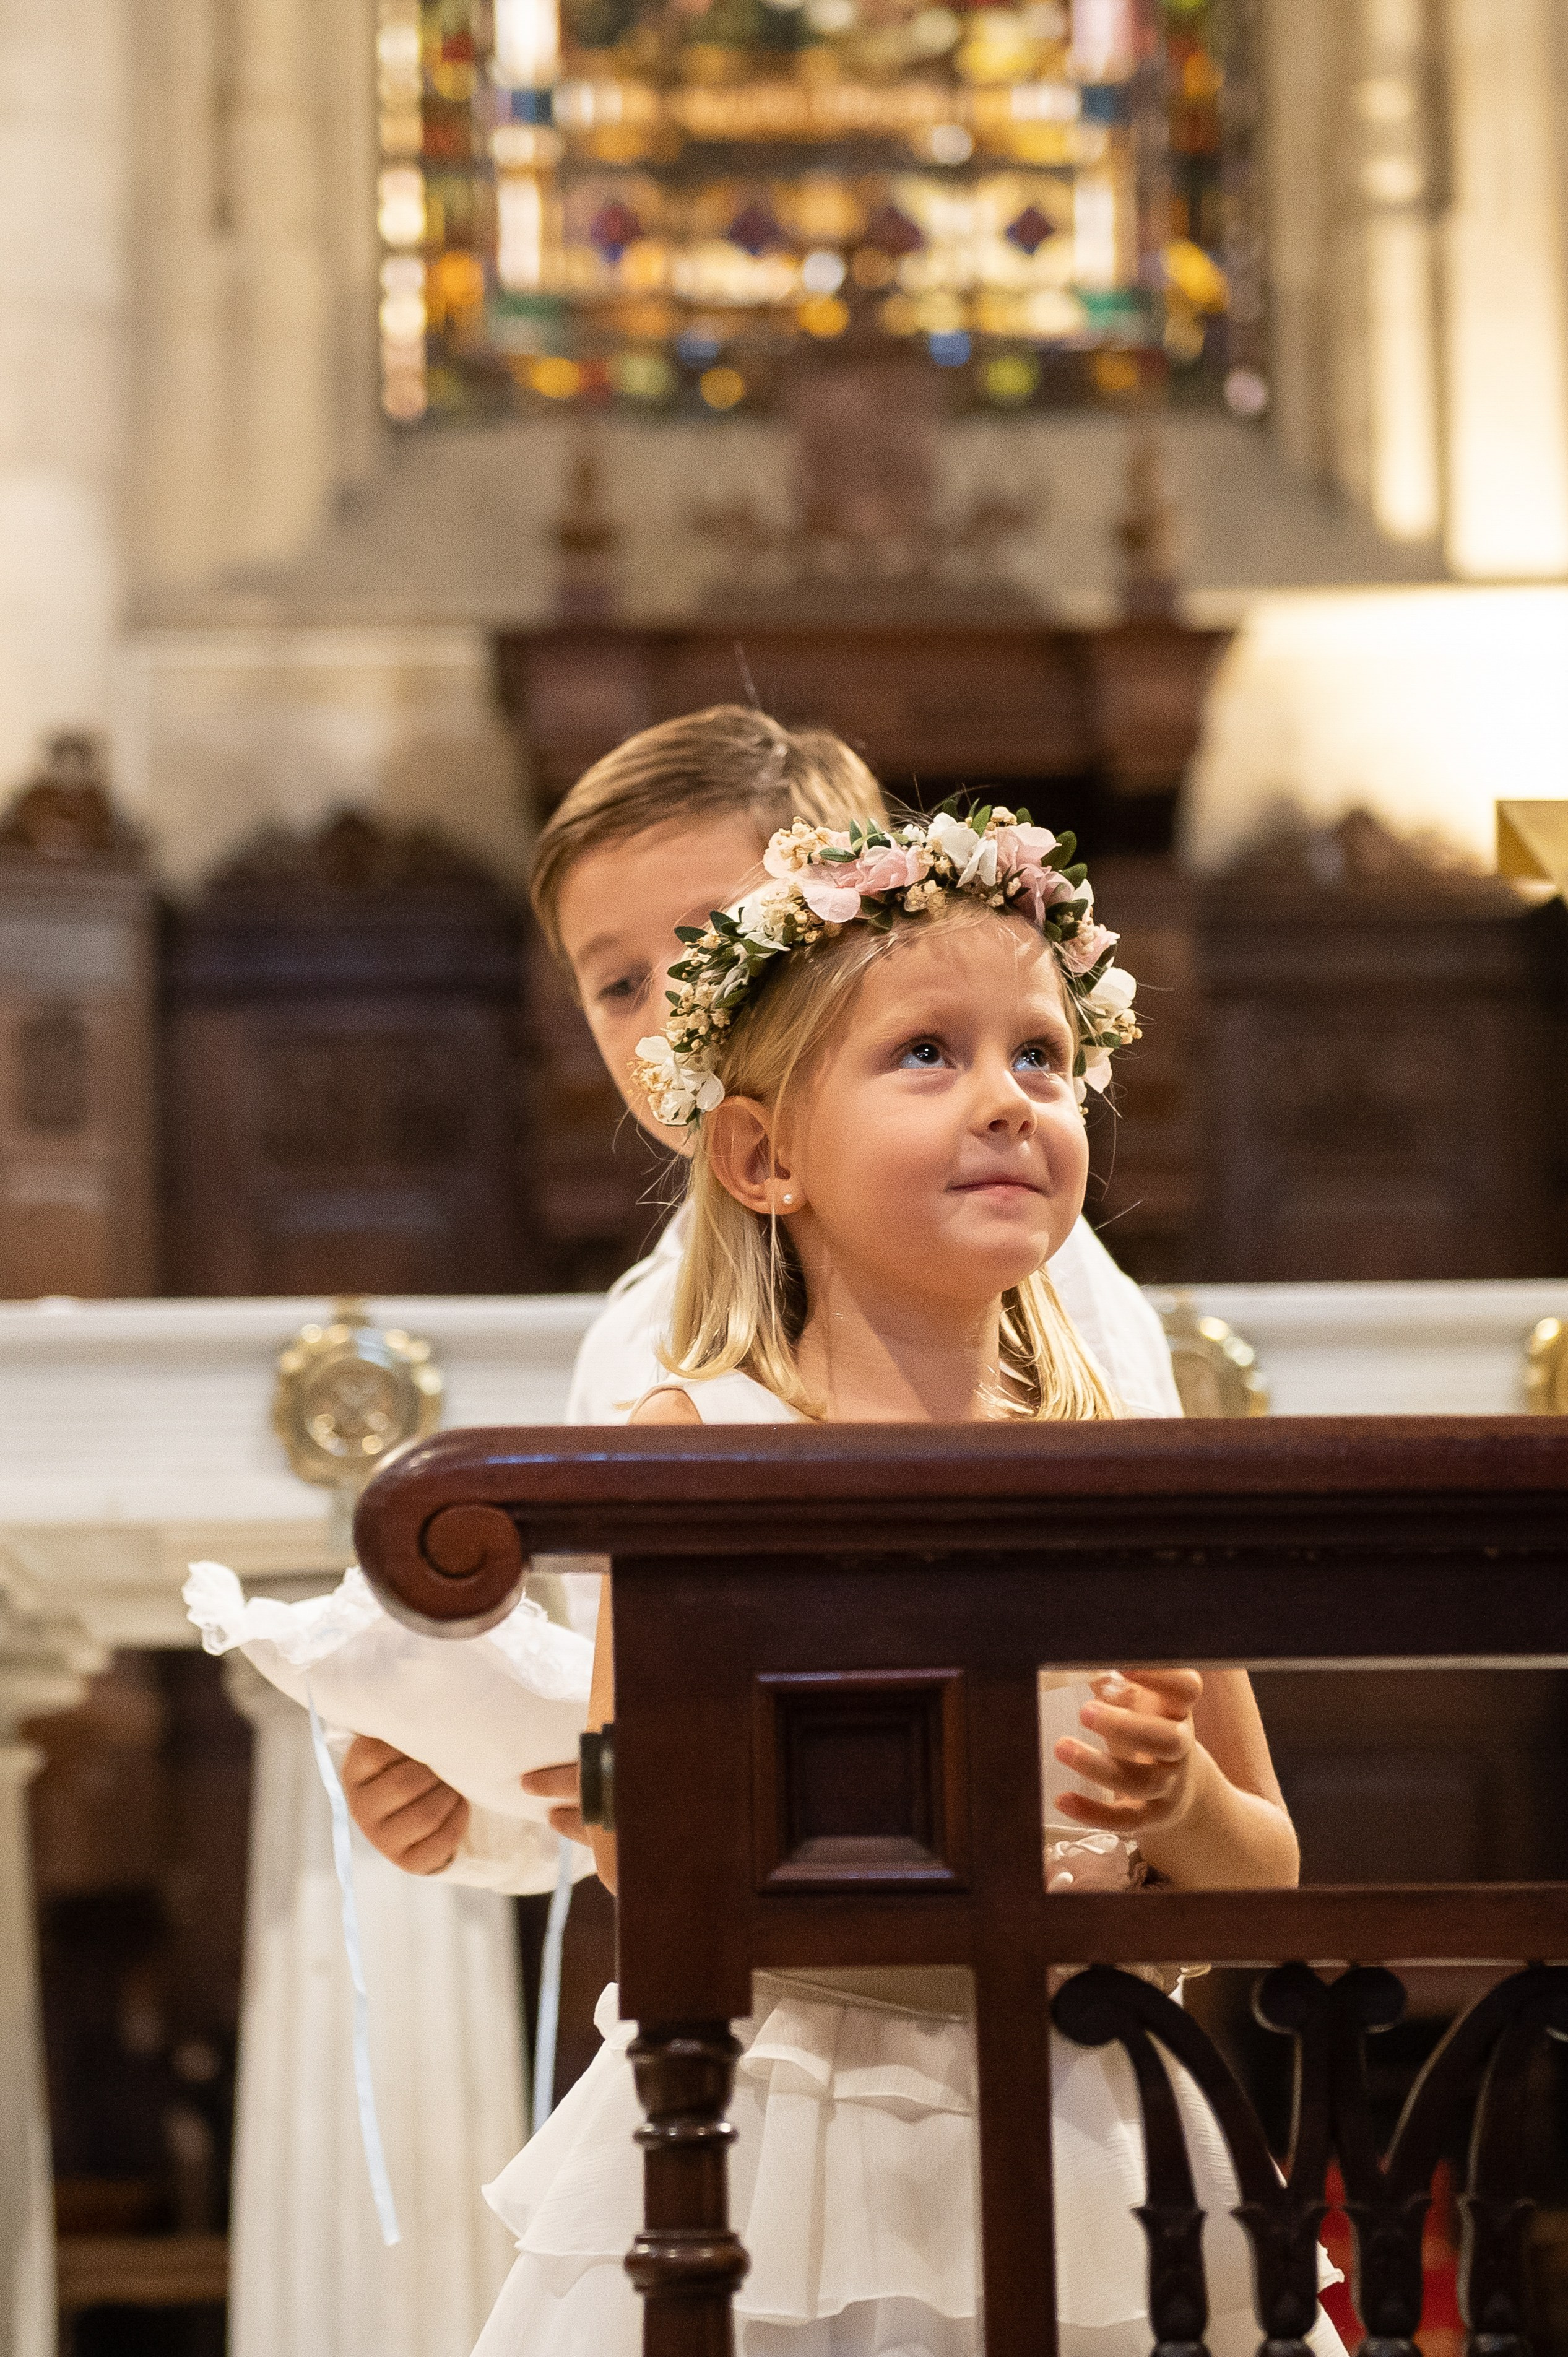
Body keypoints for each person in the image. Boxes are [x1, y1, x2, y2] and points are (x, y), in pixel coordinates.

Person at [469, 802, 1343, 2357]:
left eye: (1043, 1057)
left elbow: (1263, 1878)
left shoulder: (1131, 1467)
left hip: (1091, 2120)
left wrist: (1173, 1807)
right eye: (927, 1053)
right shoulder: (701, 1445)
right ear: (760, 1152)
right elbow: (635, 1845)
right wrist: (644, 1810)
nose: (1008, 1098)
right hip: (788, 2121)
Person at [344, 709, 1181, 1875]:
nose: (667, 1019)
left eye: (708, 950)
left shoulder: (1035, 1292)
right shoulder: (641, 1336)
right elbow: (620, 1739)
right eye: (619, 984)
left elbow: (1135, 1704)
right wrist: (470, 1808)